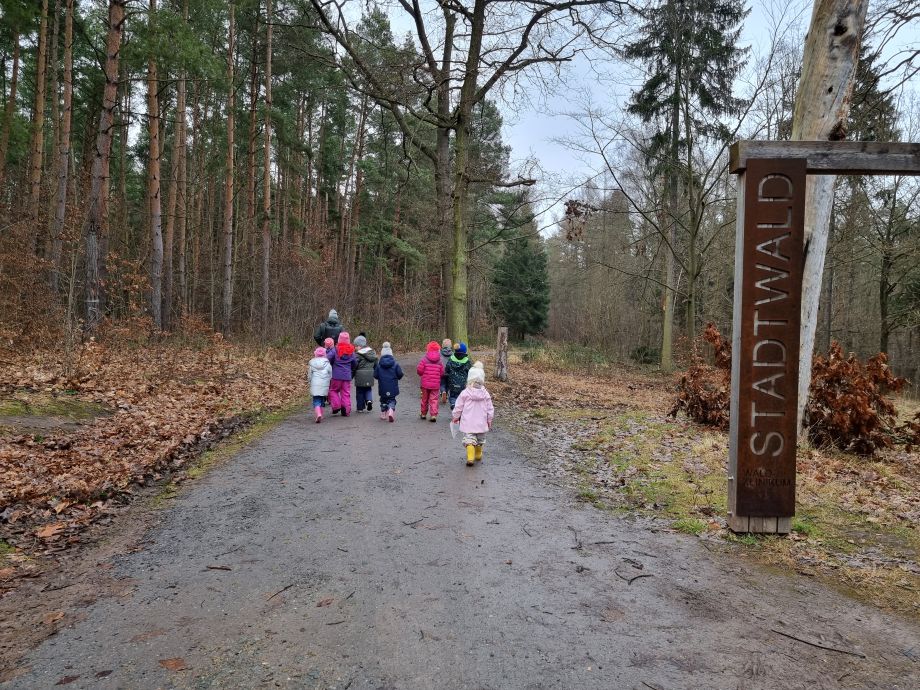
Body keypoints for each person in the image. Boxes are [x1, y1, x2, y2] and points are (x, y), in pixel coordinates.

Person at [452, 362, 494, 466]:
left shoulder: (465, 393)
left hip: (468, 423)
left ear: (469, 378)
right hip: (481, 422)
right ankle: (478, 453)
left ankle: (470, 458)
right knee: (480, 440)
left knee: (469, 440)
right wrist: (489, 420)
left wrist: (455, 417)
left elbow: (458, 406)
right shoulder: (485, 394)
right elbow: (490, 409)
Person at [327, 331, 357, 416]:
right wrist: (351, 368)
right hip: (347, 375)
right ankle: (346, 410)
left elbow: (328, 358)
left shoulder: (335, 349)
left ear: (339, 339)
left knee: (333, 390)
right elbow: (354, 362)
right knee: (345, 393)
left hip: (336, 375)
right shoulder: (351, 350)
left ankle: (336, 406)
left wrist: (332, 364)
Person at [374, 341, 403, 422]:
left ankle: (383, 413)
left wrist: (380, 377)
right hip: (393, 387)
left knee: (383, 400)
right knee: (392, 400)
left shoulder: (379, 365)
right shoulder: (395, 364)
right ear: (391, 354)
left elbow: (375, 375)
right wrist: (397, 377)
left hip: (383, 387)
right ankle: (391, 409)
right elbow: (400, 374)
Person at [417, 341, 444, 422]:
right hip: (435, 384)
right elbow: (442, 372)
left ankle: (423, 413)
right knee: (434, 399)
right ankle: (433, 415)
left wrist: (422, 374)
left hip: (425, 384)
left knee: (424, 399)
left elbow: (419, 370)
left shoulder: (424, 359)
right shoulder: (439, 361)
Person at [308, 347, 332, 423]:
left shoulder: (312, 363)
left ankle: (318, 414)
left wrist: (309, 381)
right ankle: (321, 413)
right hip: (324, 383)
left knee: (316, 400)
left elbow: (309, 375)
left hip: (315, 383)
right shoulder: (327, 363)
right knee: (322, 399)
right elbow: (330, 373)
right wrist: (329, 380)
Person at [353, 335, 377, 412]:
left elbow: (354, 365)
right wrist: (376, 373)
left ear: (360, 346)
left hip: (360, 375)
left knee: (359, 391)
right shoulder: (373, 353)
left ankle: (360, 408)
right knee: (368, 389)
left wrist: (352, 373)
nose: (355, 348)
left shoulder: (358, 355)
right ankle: (369, 400)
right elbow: (376, 364)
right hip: (370, 374)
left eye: (356, 346)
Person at [445, 342, 471, 410]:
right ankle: (460, 408)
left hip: (452, 382)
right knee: (461, 396)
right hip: (462, 383)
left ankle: (453, 404)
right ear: (465, 351)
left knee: (453, 395)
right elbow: (470, 371)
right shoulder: (467, 361)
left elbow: (447, 369)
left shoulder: (451, 359)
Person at [438, 338, 453, 404]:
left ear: (442, 345)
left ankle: (442, 392)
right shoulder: (453, 354)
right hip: (450, 372)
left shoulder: (439, 353)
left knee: (442, 384)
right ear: (451, 346)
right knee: (447, 384)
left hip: (441, 371)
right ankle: (446, 394)